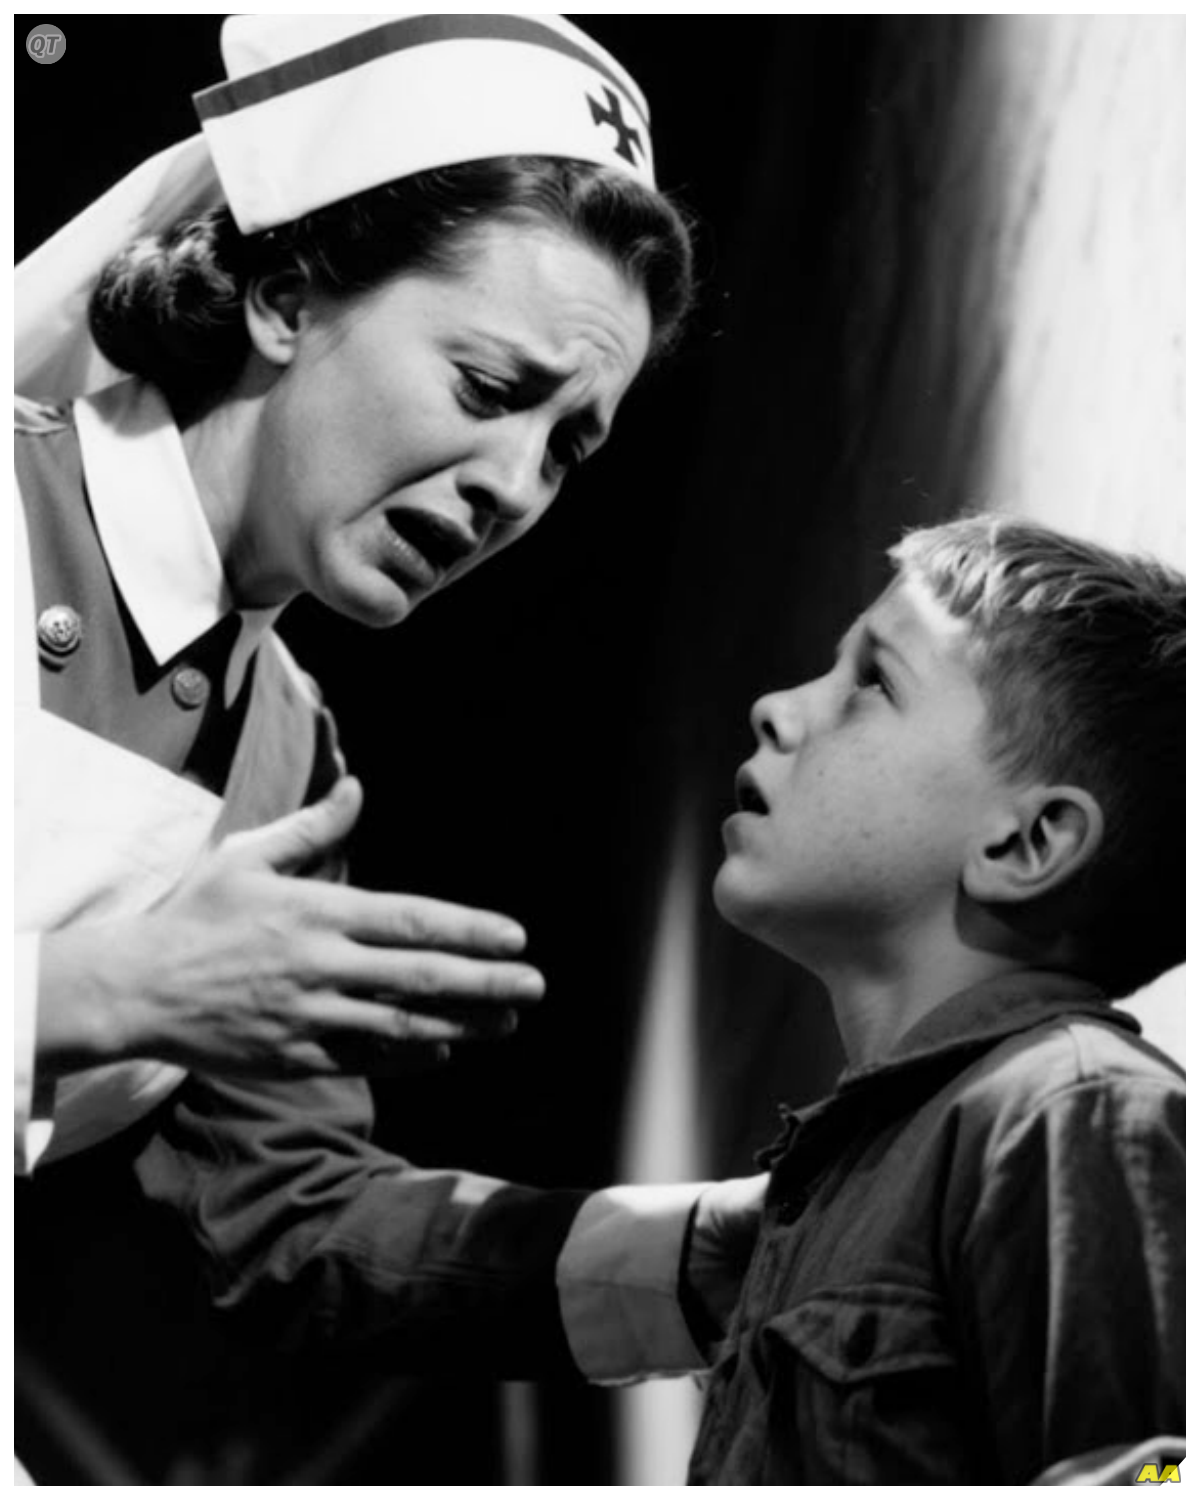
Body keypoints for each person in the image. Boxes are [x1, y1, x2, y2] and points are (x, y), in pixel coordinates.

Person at [15, 13, 761, 1481]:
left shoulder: (286, 756)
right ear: (287, 295)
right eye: (489, 390)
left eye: (567, 447)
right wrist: (102, 988)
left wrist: (714, 1253)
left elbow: (291, 1226)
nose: (511, 490)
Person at [687, 516, 1184, 1485]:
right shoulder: (841, 1179)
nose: (780, 711)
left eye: (872, 682)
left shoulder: (1069, 1111)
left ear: (1026, 844)